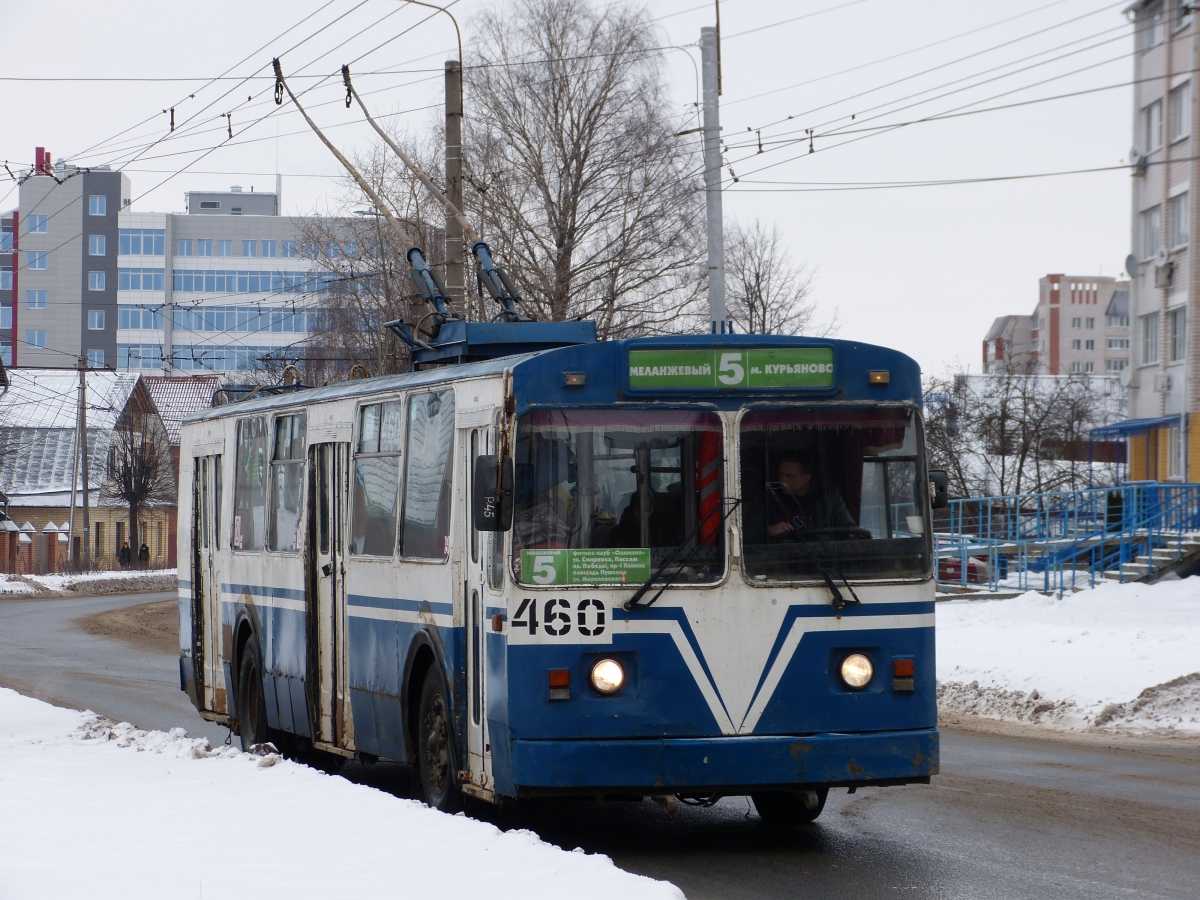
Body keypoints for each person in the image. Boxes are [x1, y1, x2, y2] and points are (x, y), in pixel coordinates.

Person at [767, 454, 857, 538]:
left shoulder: (827, 496)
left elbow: (848, 527)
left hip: (820, 552)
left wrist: (852, 535)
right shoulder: (772, 495)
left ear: (806, 478)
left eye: (790, 476)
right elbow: (754, 528)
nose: (783, 480)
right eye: (781, 475)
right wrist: (769, 530)